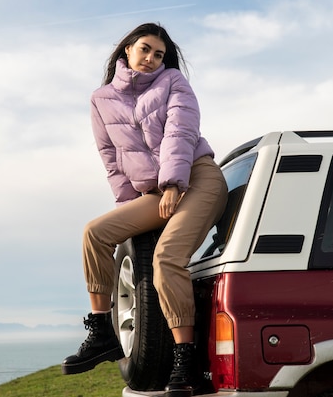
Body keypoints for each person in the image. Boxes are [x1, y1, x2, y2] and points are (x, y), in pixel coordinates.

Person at [61, 22, 228, 397]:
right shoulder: (101, 99)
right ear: (127, 51)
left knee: (167, 258)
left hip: (197, 179)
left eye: (159, 54)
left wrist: (172, 184)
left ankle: (184, 357)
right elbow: (112, 160)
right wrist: (129, 211)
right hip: (152, 193)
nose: (152, 59)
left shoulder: (173, 83)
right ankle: (103, 330)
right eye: (146, 50)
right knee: (96, 233)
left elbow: (179, 134)